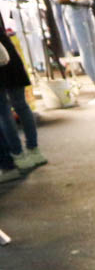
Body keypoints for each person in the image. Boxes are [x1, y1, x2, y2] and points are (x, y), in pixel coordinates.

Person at [0, 14, 44, 177]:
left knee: (3, 111)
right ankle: (34, 150)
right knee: (20, 105)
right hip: (7, 52)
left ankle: (19, 155)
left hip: (3, 55)